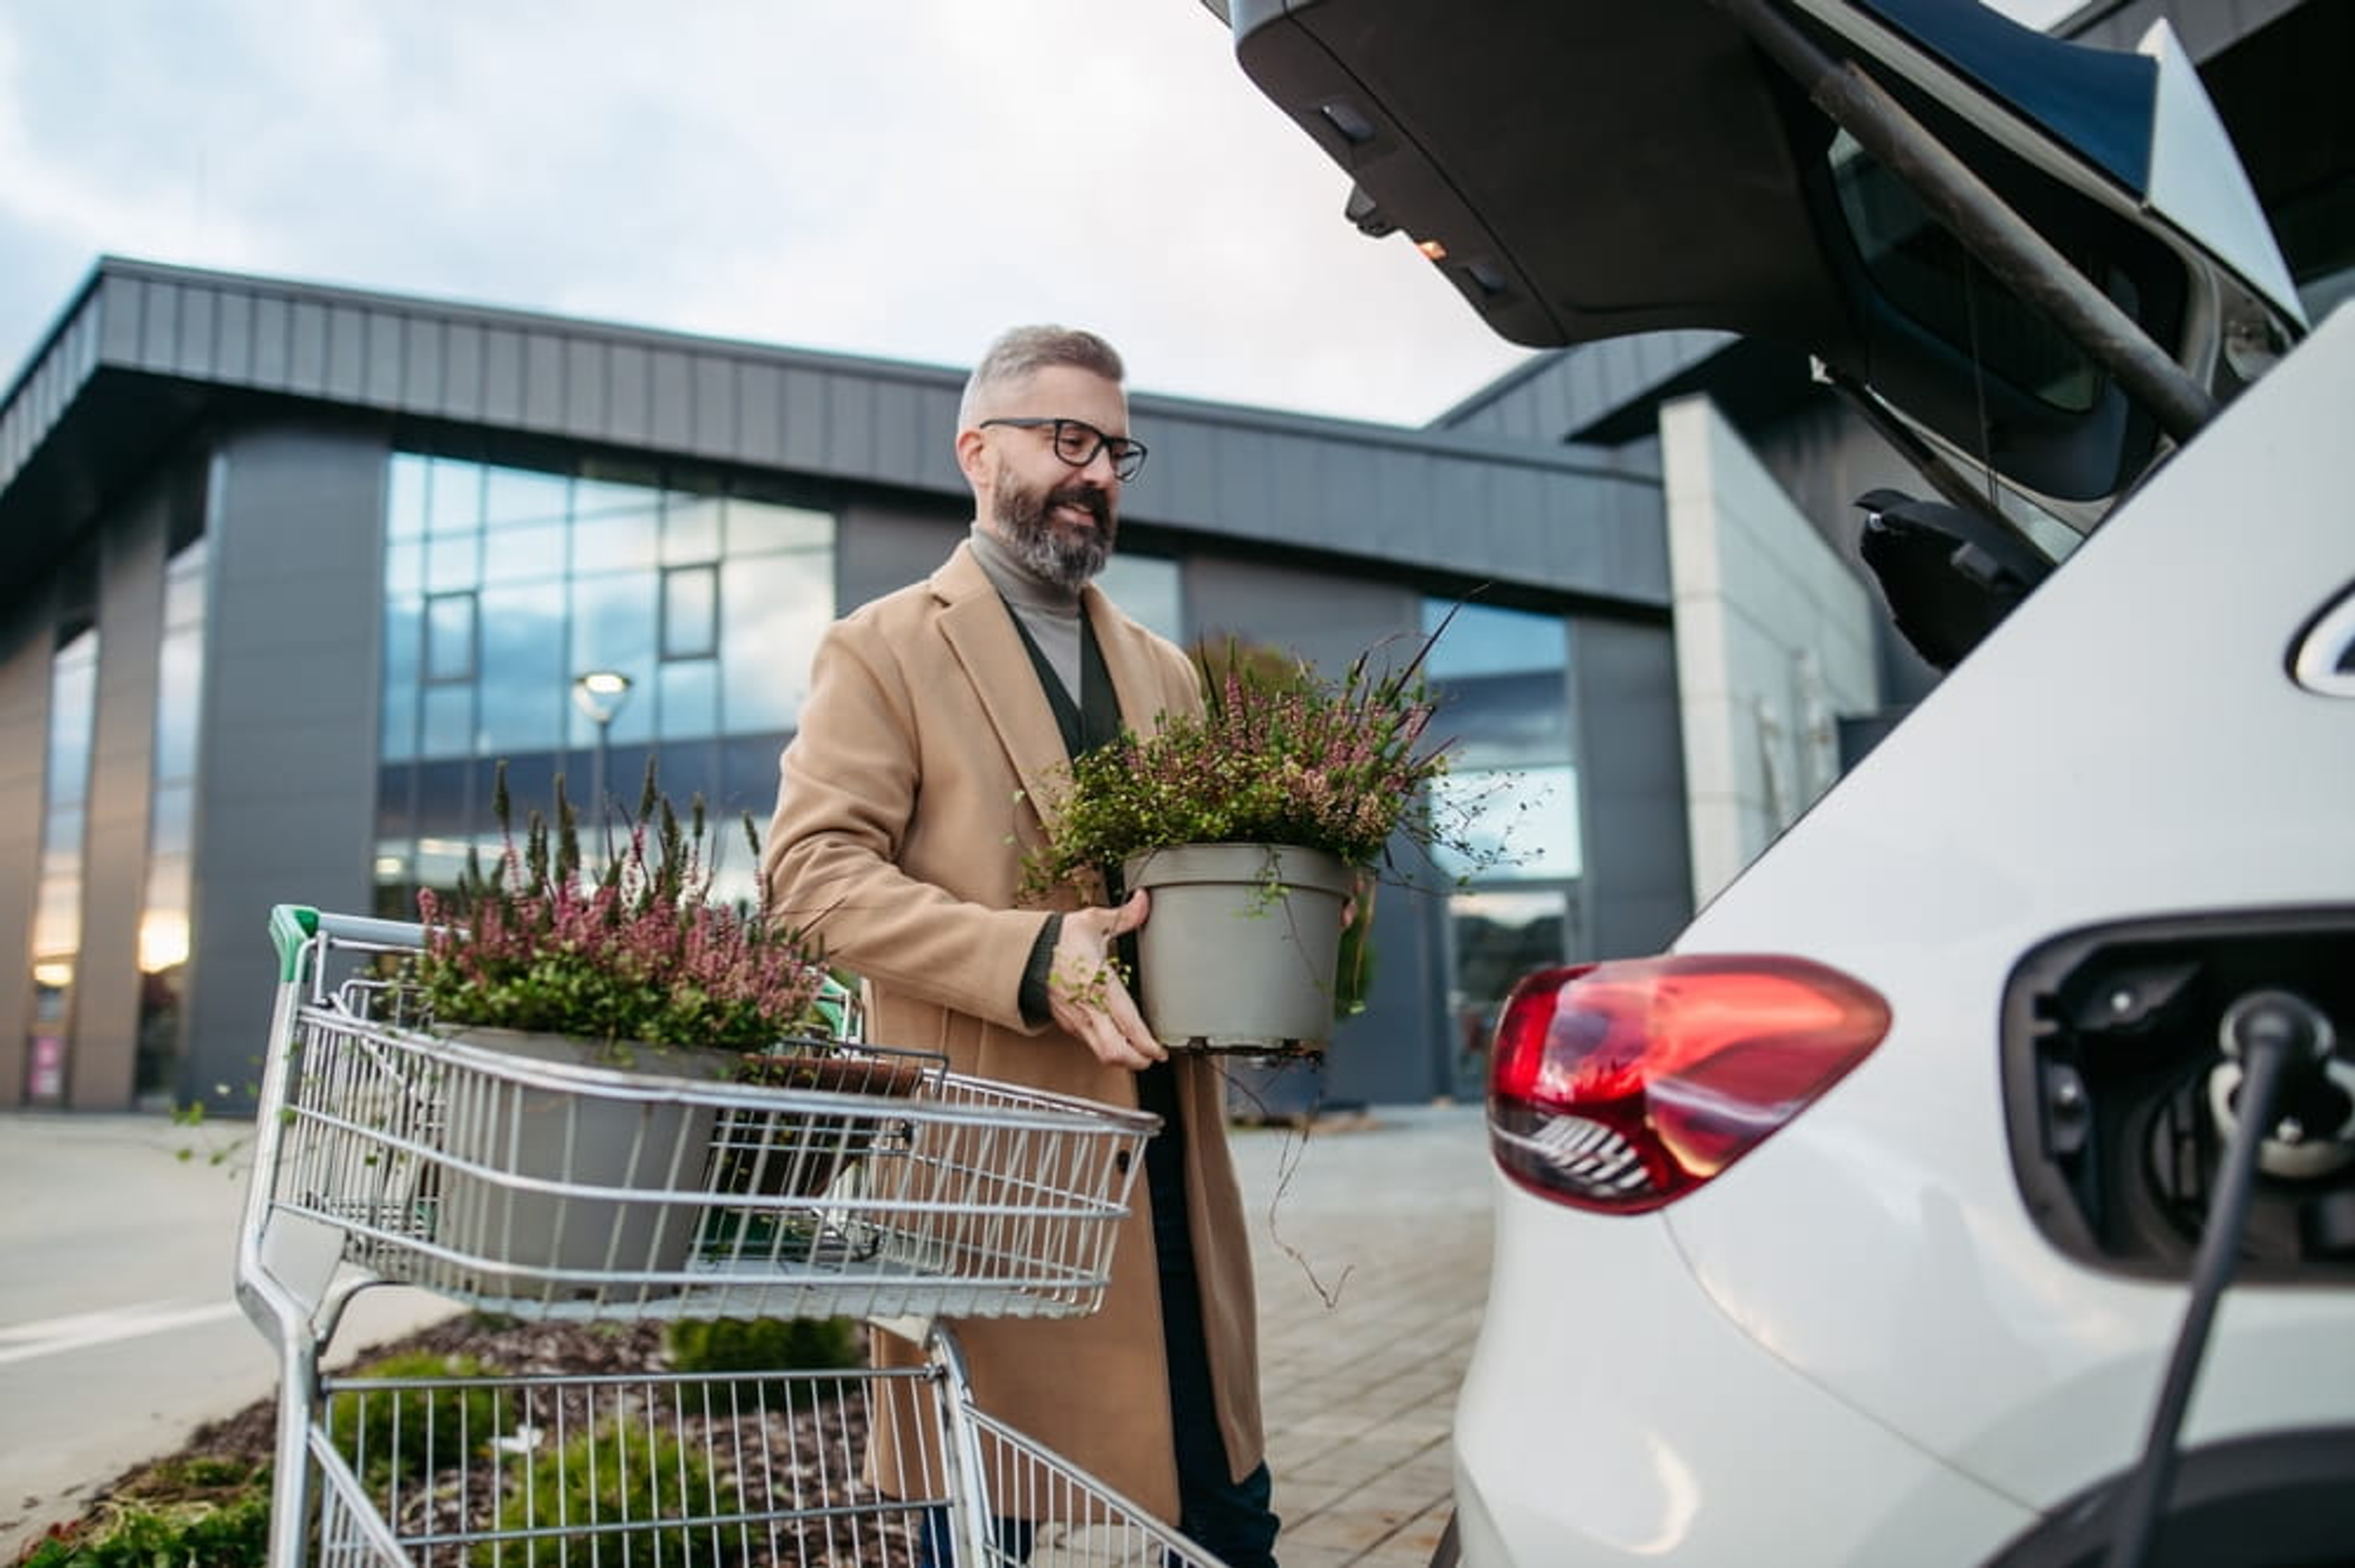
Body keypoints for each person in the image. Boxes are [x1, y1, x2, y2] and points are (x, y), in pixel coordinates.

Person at [761, 325, 1280, 1566]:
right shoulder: (881, 646)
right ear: (976, 451)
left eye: (1114, 448)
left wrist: (1286, 904)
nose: (1094, 470)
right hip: (993, 1170)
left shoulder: (1167, 674)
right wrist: (1030, 955)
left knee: (1223, 1514)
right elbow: (808, 879)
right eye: (1066, 438)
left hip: (1165, 1157)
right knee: (978, 1520)